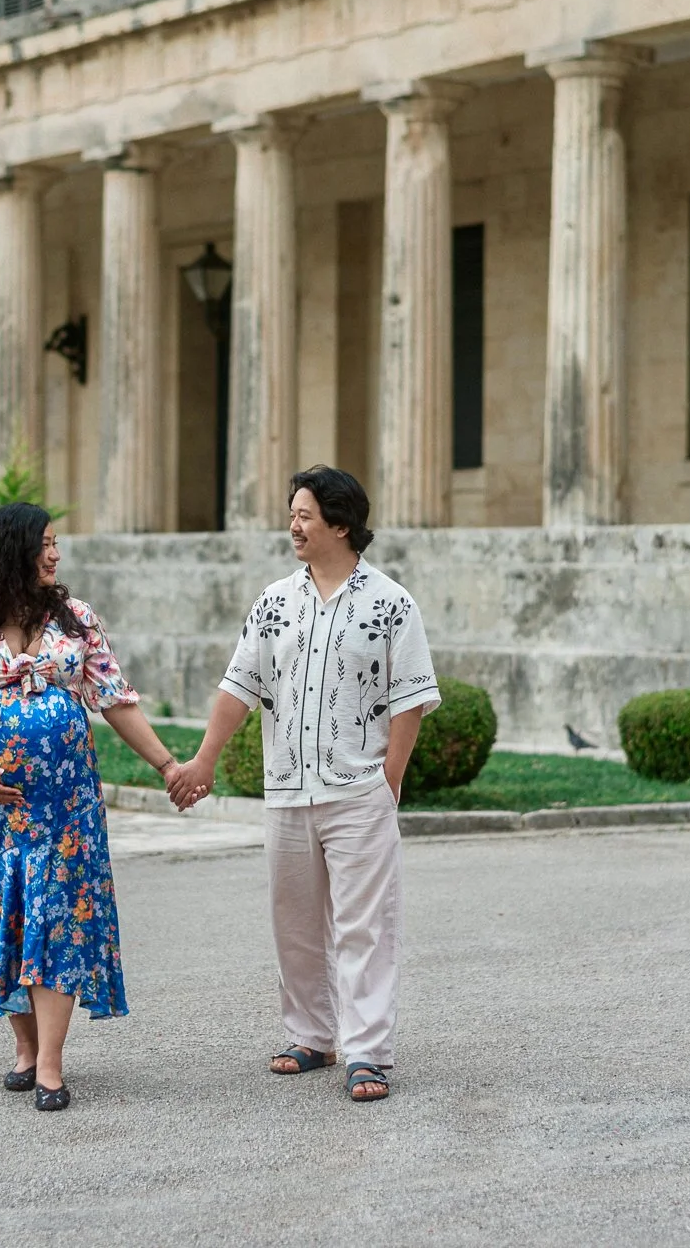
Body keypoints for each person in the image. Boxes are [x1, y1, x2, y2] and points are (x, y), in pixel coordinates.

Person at [168, 465, 438, 1103]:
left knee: (364, 926)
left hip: (358, 790)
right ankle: (313, 1037)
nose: (293, 525)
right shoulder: (274, 602)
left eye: (305, 515)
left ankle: (366, 1051)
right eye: (292, 513)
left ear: (340, 525)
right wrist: (203, 760)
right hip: (287, 789)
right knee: (293, 921)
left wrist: (388, 780)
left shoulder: (391, 603)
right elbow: (240, 688)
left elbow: (411, 697)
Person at [0, 502, 184, 1112]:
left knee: (57, 914)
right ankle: (26, 1050)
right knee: (6, 914)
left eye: (56, 543)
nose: (55, 554)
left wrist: (167, 765)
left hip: (66, 806)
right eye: (45, 544)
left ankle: (52, 1069)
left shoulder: (75, 619)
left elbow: (116, 700)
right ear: (12, 551)